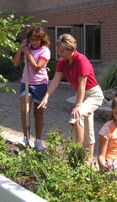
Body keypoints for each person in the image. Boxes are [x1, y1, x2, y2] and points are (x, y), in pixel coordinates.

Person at [38, 33, 104, 163]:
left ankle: (77, 151)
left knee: (76, 115)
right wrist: (46, 97)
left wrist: (78, 105)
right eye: (58, 50)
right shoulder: (63, 63)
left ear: (71, 49)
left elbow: (82, 84)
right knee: (87, 126)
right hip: (82, 95)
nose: (59, 53)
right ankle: (89, 160)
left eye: (62, 51)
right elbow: (55, 80)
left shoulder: (81, 60)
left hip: (93, 95)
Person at [13, 26, 50, 151]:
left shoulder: (45, 51)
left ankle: (38, 141)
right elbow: (16, 63)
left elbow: (36, 68)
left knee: (38, 113)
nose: (34, 42)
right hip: (26, 83)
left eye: (36, 40)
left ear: (42, 40)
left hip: (40, 84)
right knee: (25, 110)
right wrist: (20, 49)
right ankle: (25, 137)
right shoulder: (26, 48)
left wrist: (28, 54)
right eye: (32, 40)